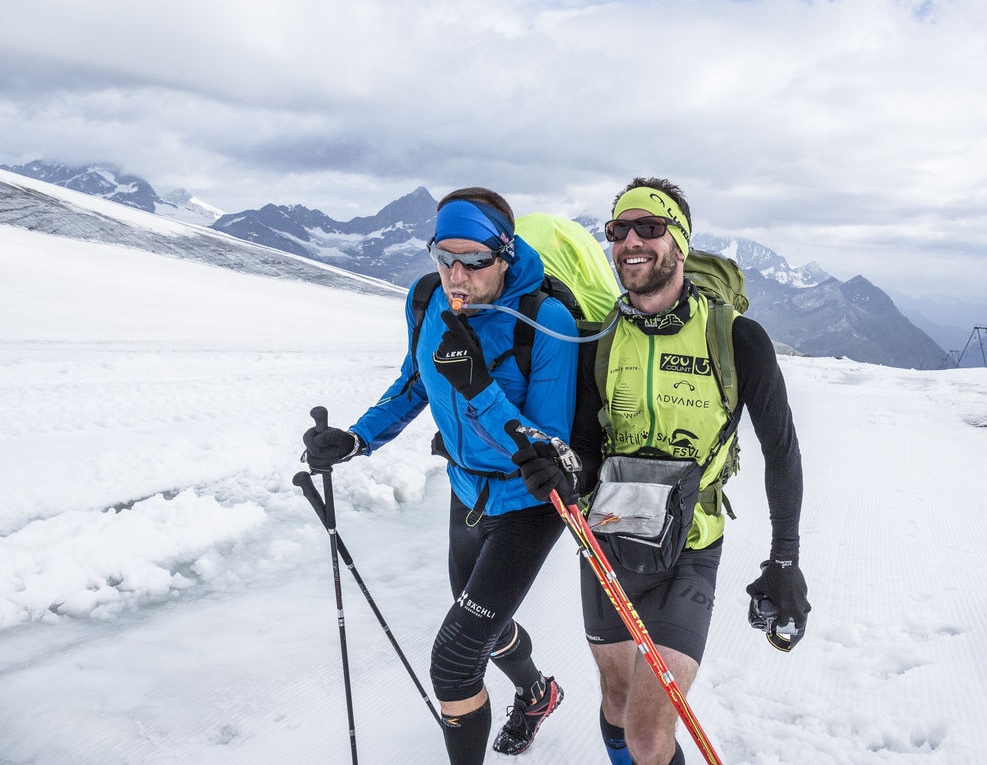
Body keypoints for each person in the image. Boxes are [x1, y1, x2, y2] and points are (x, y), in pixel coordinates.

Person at [511, 177, 810, 765]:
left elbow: (782, 449)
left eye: (649, 227)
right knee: (618, 701)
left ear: (679, 240)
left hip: (691, 547)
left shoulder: (736, 339)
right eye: (618, 230)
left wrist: (786, 558)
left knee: (651, 731)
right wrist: (564, 468)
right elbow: (587, 444)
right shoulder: (600, 340)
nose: (630, 241)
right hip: (607, 540)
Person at [302, 187, 575, 765]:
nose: (456, 274)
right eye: (442, 256)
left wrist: (479, 385)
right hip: (465, 489)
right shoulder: (427, 301)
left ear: (504, 253)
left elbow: (547, 450)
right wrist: (357, 439)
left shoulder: (544, 322)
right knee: (483, 624)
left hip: (526, 504)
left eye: (472, 261)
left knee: (454, 659)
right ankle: (536, 692)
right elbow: (415, 382)